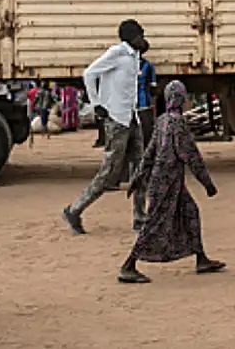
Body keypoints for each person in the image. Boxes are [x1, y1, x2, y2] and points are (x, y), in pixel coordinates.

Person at [117, 80, 226, 283]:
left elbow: (150, 152)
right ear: (181, 99)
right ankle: (128, 265)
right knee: (153, 224)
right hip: (167, 183)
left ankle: (201, 258)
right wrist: (207, 183)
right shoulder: (178, 123)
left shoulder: (162, 121)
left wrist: (138, 176)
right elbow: (191, 156)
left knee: (191, 212)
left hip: (166, 181)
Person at [63, 19, 149, 235]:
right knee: (109, 173)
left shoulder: (133, 56)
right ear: (132, 37)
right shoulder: (117, 53)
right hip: (117, 121)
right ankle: (74, 210)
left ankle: (140, 217)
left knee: (140, 170)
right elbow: (89, 73)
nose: (144, 38)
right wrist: (97, 104)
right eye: (140, 35)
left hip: (131, 118)